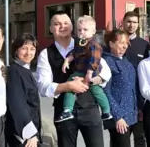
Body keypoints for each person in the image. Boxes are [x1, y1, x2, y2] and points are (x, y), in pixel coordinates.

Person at [36, 11, 111, 147]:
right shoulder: (45, 54)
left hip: (90, 108)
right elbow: (43, 87)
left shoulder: (88, 43)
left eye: (66, 23)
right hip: (63, 111)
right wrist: (68, 86)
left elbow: (106, 72)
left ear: (72, 27)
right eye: (57, 24)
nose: (62, 26)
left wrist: (91, 80)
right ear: (50, 29)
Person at [57, 15, 112, 123]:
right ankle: (68, 111)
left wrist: (89, 73)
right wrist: (67, 60)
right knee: (83, 87)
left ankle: (106, 111)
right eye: (79, 30)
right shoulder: (80, 44)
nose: (82, 32)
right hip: (80, 71)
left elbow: (94, 59)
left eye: (85, 29)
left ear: (93, 32)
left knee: (90, 89)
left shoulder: (93, 45)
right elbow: (74, 53)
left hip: (89, 72)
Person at [102, 29, 139, 147]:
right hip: (118, 117)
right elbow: (105, 92)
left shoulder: (127, 62)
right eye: (121, 43)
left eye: (126, 43)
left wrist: (138, 109)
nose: (124, 46)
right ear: (111, 44)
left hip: (131, 115)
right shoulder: (106, 62)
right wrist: (118, 117)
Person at [6, 33, 42, 147]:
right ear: (16, 50)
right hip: (22, 134)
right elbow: (17, 104)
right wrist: (30, 134)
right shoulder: (14, 72)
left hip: (30, 130)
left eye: (32, 49)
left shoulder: (25, 70)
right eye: (24, 48)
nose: (29, 53)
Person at [121, 11, 150, 147]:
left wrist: (142, 104)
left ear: (138, 25)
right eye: (129, 21)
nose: (131, 25)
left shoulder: (144, 45)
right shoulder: (114, 42)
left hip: (139, 100)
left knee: (140, 139)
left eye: (134, 22)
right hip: (120, 101)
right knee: (120, 141)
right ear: (123, 22)